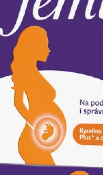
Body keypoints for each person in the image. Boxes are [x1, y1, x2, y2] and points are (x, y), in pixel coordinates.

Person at [11, 26, 66, 165]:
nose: (48, 50)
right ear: (33, 48)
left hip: (39, 141)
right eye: (44, 46)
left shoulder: (33, 72)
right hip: (32, 142)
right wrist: (38, 125)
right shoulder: (24, 72)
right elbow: (18, 103)